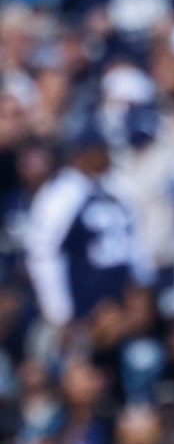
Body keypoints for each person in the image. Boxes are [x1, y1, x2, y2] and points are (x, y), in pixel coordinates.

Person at [23, 129, 149, 330]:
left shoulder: (118, 186)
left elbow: (136, 242)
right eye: (102, 150)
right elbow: (42, 253)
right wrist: (59, 312)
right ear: (84, 153)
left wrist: (141, 289)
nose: (107, 156)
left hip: (122, 300)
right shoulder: (60, 194)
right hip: (82, 305)